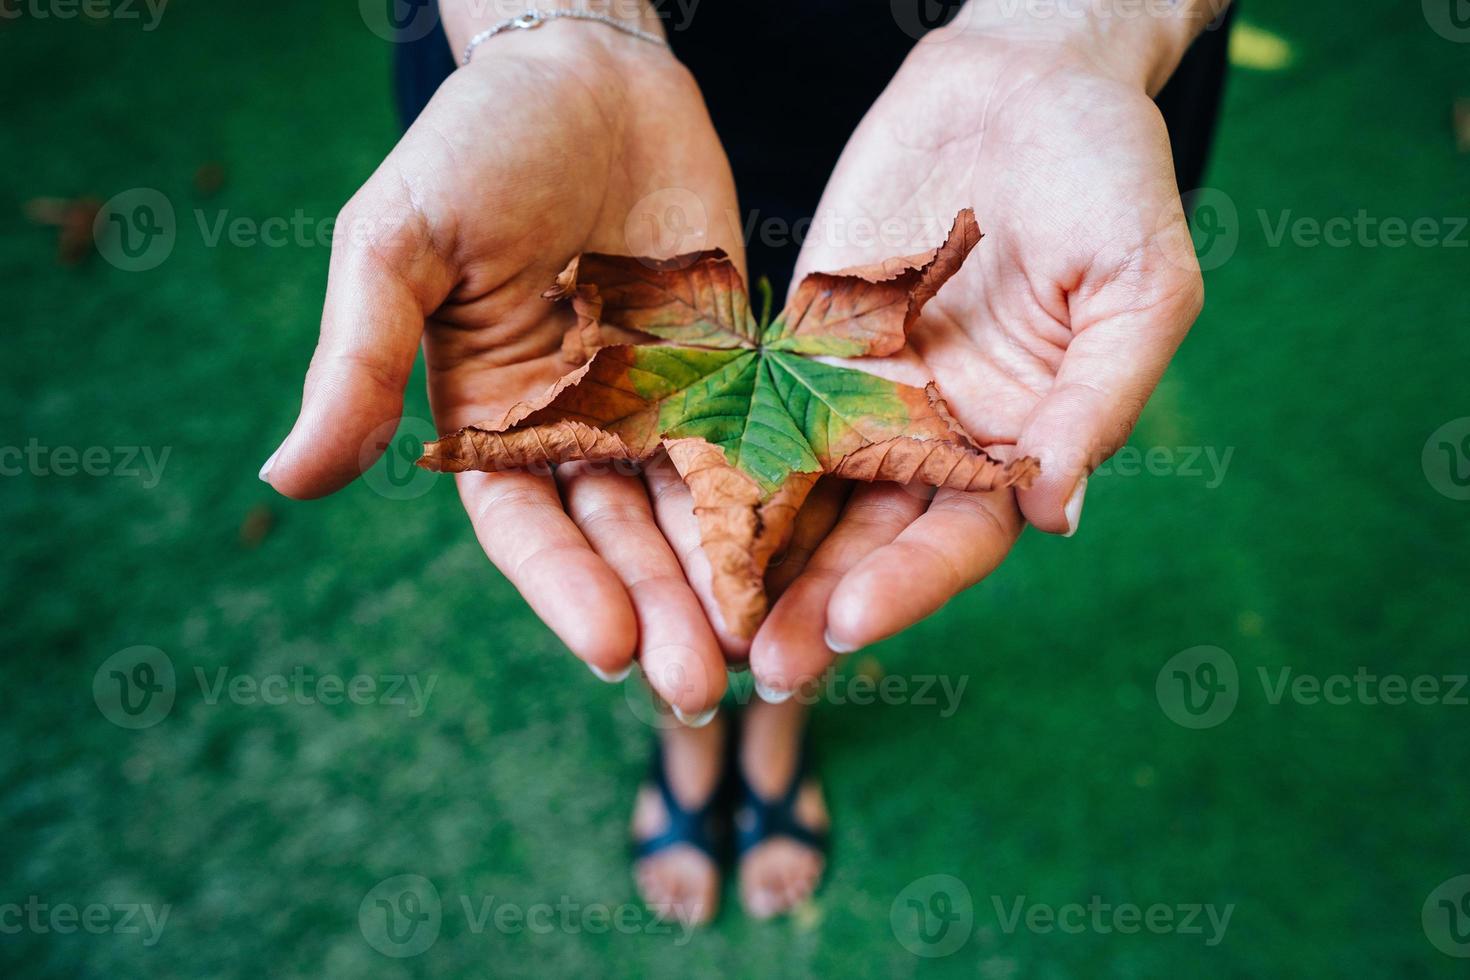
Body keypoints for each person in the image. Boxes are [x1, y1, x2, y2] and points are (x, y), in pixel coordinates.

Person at [260, 0, 1231, 925]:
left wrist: (1073, 31)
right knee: (662, 569)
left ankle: (774, 710)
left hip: (979, 106)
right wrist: (555, 28)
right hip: (585, 117)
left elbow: (937, 270)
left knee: (804, 543)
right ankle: (695, 718)